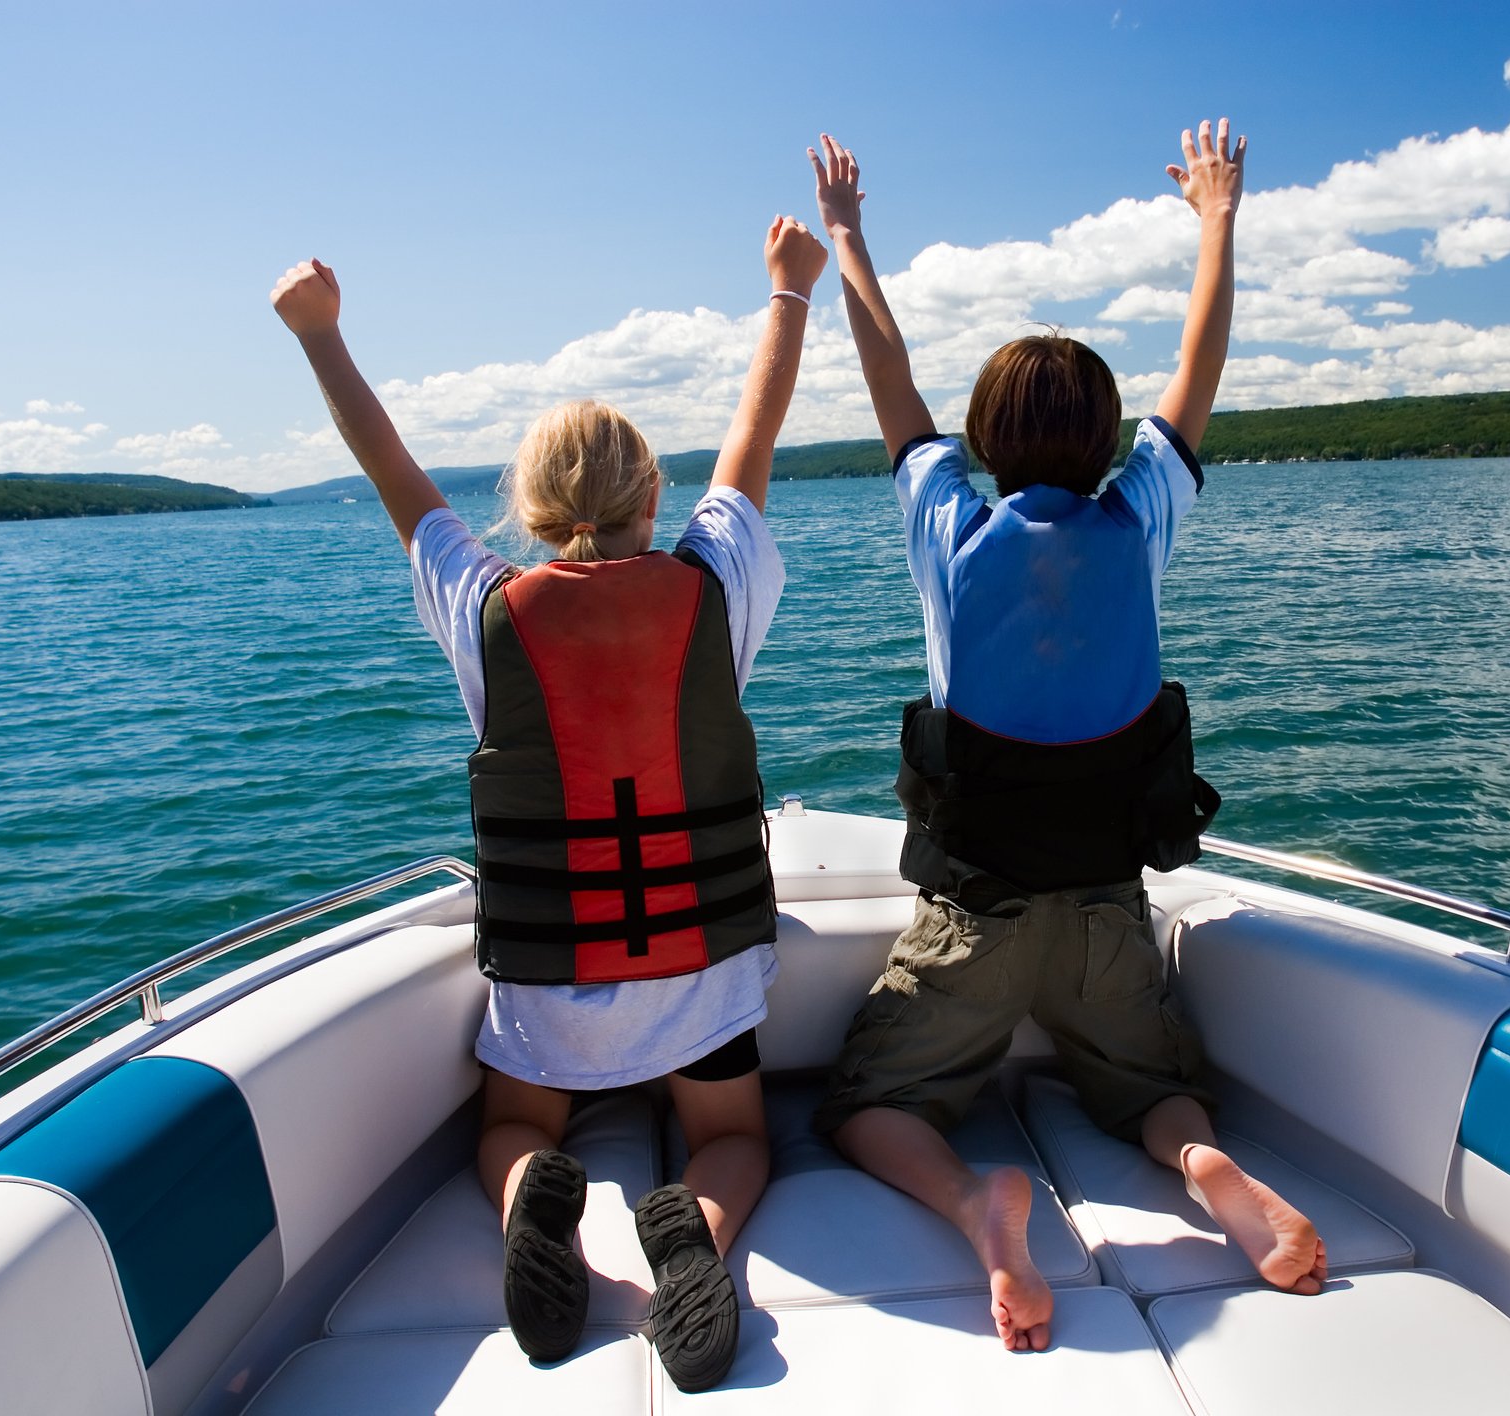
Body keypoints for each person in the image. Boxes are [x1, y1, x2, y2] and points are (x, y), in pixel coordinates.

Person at [268, 214, 827, 1392]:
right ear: (654, 498)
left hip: (549, 982)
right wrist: (786, 292)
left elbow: (394, 477)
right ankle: (698, 1237)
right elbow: (755, 438)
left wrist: (323, 339)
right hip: (702, 969)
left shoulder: (483, 609)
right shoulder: (714, 587)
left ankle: (537, 1204)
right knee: (732, 1138)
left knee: (515, 1127)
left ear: (523, 510)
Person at [806, 122, 1325, 1354]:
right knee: (1152, 1093)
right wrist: (1215, 220)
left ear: (980, 440)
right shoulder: (1141, 514)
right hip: (1105, 920)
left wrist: (846, 237)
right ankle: (1201, 1162)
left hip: (973, 922)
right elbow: (1198, 367)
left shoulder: (946, 524)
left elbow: (889, 378)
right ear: (1108, 443)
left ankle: (978, 1210)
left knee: (858, 1110)